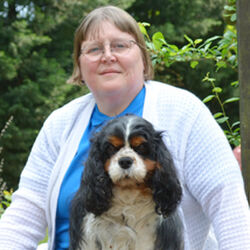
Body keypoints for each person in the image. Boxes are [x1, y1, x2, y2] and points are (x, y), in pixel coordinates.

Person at [0, 5, 249, 250]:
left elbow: (227, 204)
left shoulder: (184, 111)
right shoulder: (60, 123)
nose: (108, 56)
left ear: (142, 58)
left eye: (120, 45)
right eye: (94, 49)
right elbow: (26, 211)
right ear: (80, 65)